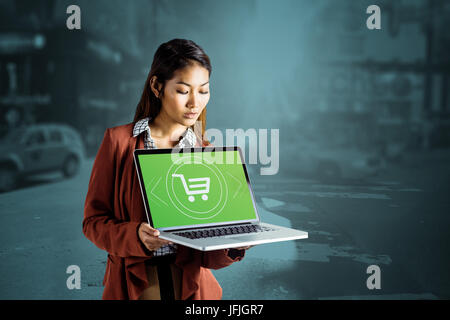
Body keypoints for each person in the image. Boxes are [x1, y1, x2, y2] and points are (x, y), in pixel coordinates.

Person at [83, 39, 249, 300]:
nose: (195, 103)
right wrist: (135, 235)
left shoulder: (205, 151)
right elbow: (93, 223)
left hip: (192, 290)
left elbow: (206, 254)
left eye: (203, 91)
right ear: (157, 86)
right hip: (135, 286)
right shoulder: (118, 142)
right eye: (183, 91)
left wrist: (233, 245)